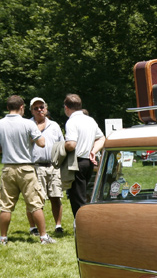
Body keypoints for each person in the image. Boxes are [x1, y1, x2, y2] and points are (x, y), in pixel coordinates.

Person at [0, 95, 52, 245]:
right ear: (22, 107)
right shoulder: (28, 124)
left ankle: (3, 238)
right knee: (35, 203)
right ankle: (43, 237)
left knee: (5, 206)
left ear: (7, 107)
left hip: (8, 168)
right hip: (26, 169)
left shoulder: (0, 124)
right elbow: (42, 143)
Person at [63, 93, 105, 219]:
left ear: (66, 107)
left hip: (77, 163)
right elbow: (102, 138)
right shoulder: (90, 120)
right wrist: (93, 151)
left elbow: (71, 145)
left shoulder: (71, 122)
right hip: (89, 162)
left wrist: (60, 147)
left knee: (77, 199)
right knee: (85, 195)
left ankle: (82, 224)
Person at [28, 98, 66, 236]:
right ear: (31, 110)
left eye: (41, 107)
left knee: (56, 197)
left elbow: (62, 145)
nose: (39, 110)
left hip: (53, 166)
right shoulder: (28, 125)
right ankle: (34, 228)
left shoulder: (54, 125)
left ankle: (58, 226)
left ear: (46, 108)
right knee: (35, 199)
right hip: (35, 166)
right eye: (36, 108)